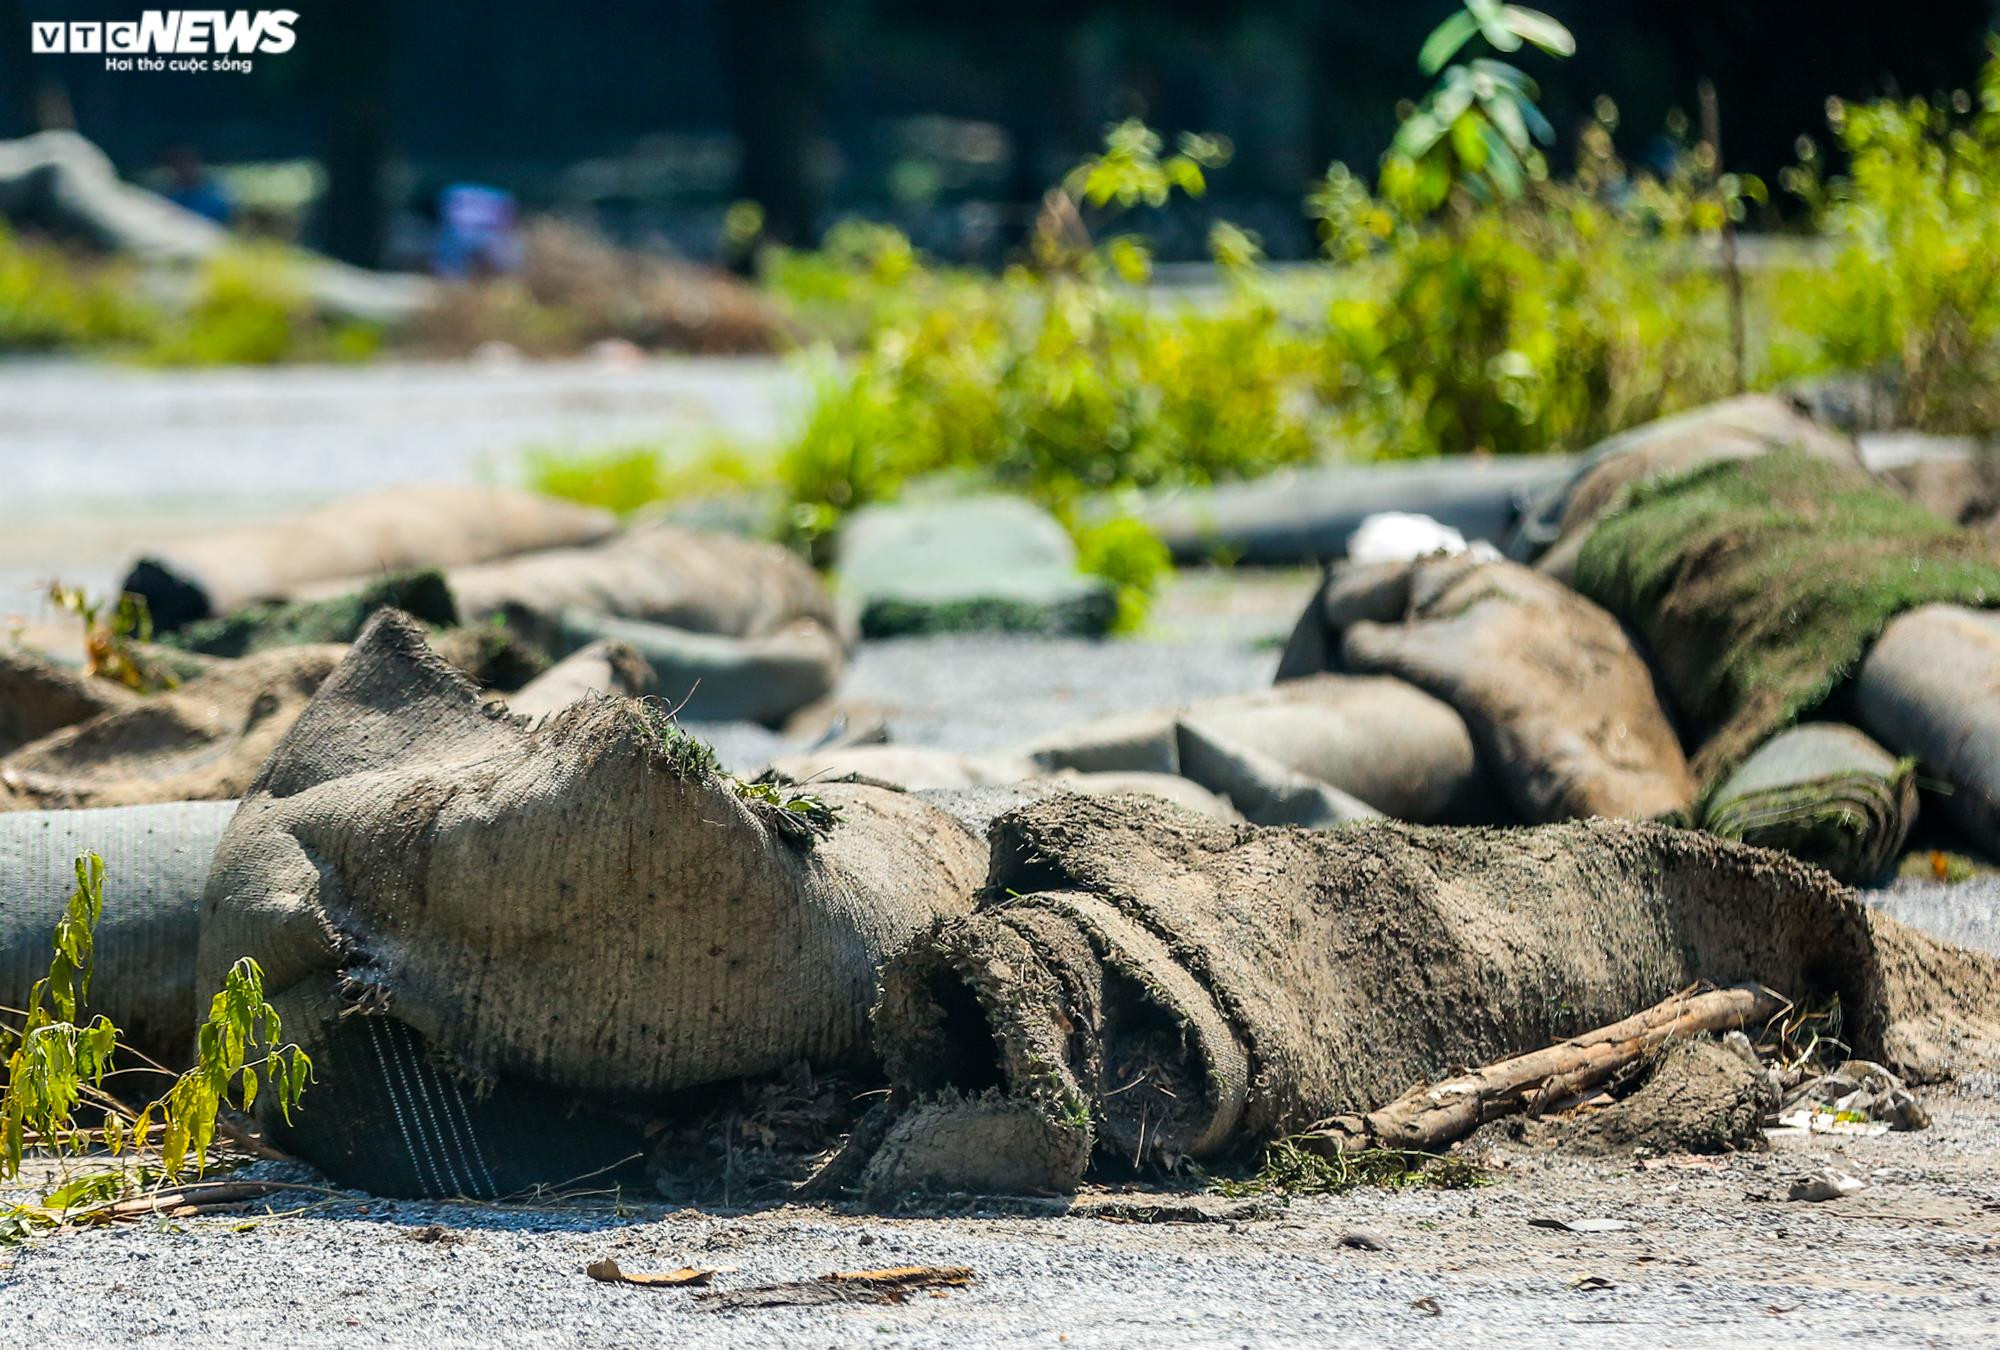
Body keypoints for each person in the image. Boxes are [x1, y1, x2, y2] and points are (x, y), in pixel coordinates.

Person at [161, 143, 231, 225]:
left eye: (189, 163)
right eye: (179, 165)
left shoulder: (215, 200)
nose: (185, 169)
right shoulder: (167, 200)